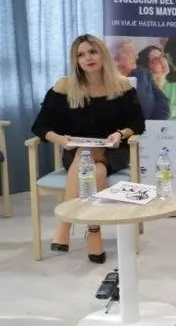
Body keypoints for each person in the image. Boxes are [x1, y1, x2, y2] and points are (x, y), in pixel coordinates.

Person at [31, 34, 146, 263]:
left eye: (92, 52)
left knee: (89, 157)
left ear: (102, 54)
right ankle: (94, 233)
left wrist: (120, 134)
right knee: (93, 165)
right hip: (74, 152)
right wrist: (62, 140)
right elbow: (41, 126)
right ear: (76, 61)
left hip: (114, 151)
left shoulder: (121, 85)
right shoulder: (64, 86)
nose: (88, 58)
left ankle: (64, 224)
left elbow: (137, 124)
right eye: (81, 55)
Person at [111, 37, 170, 121]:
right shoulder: (105, 79)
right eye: (130, 52)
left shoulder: (143, 74)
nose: (136, 56)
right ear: (115, 57)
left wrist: (154, 124)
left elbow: (162, 100)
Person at [137, 45, 176, 121]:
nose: (162, 61)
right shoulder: (141, 88)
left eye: (162, 56)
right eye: (156, 59)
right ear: (146, 67)